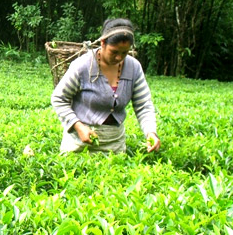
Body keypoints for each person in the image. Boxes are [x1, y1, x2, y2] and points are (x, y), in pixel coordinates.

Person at [51, 18, 161, 154]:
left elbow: (143, 104)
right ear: (102, 43)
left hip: (115, 144)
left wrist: (151, 132)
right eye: (114, 52)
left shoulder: (133, 67)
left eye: (124, 53)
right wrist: (78, 126)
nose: (119, 57)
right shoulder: (83, 66)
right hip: (79, 143)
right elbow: (58, 98)